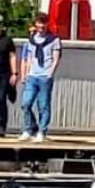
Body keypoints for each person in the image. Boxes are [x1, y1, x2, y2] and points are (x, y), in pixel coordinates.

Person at [17, 13, 62, 143]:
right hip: (33, 75)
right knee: (26, 103)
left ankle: (42, 131)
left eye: (43, 25)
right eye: (38, 25)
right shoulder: (32, 39)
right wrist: (26, 73)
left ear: (47, 24)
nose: (40, 27)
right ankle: (29, 129)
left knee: (43, 105)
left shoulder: (54, 39)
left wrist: (50, 73)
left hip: (45, 76)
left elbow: (56, 58)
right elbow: (29, 56)